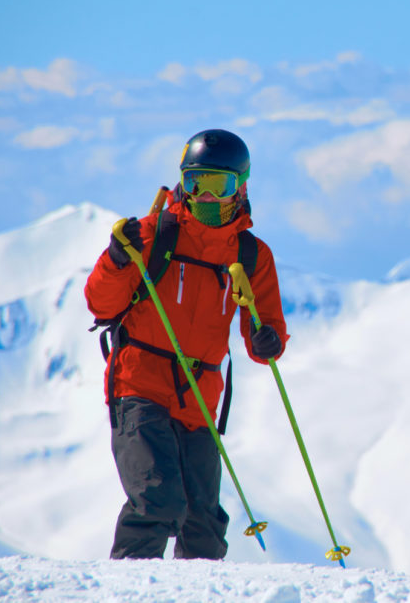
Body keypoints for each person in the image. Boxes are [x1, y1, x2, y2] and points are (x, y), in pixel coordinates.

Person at [85, 129, 288, 559]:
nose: (208, 198)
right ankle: (128, 591)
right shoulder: (151, 234)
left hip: (200, 399)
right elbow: (100, 305)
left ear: (242, 187)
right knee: (156, 502)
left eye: (221, 186)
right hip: (139, 384)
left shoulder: (251, 255)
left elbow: (263, 333)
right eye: (197, 184)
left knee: (204, 525)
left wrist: (267, 340)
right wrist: (118, 260)